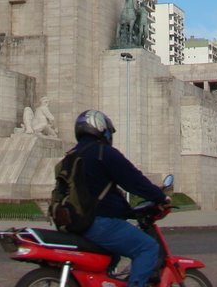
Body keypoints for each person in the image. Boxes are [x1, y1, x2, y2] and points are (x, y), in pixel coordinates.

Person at [73, 110, 170, 287]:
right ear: (102, 129)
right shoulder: (103, 153)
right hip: (99, 223)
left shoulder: (71, 155)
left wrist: (129, 212)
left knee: (113, 254)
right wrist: (160, 197)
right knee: (148, 248)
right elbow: (134, 181)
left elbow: (100, 192)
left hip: (75, 223)